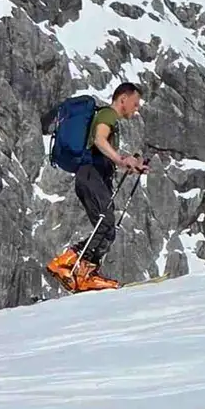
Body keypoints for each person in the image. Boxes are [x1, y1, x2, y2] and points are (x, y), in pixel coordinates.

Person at [45, 83, 149, 291]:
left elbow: (103, 155)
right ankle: (66, 262)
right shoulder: (108, 115)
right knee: (106, 222)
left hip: (93, 176)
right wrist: (121, 159)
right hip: (90, 174)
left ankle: (86, 273)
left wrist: (130, 165)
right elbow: (100, 140)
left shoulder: (110, 119)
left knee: (108, 229)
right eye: (135, 104)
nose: (136, 108)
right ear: (123, 100)